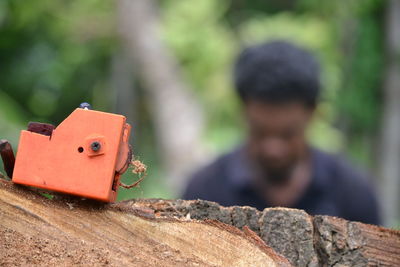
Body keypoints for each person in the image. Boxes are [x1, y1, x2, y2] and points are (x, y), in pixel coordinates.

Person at [182, 40, 381, 225]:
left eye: (288, 134)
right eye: (260, 132)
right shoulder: (204, 190)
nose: (273, 149)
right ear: (242, 110)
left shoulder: (352, 193)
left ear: (313, 113)